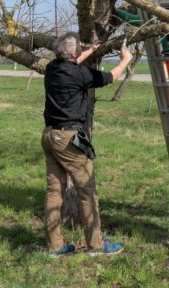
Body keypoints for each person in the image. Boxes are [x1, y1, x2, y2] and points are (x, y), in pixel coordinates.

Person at [42, 32, 133, 257]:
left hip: (49, 135)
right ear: (73, 53)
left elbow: (74, 62)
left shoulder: (53, 68)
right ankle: (96, 245)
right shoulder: (79, 74)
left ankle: (56, 246)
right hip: (68, 139)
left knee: (54, 191)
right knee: (87, 190)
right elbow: (109, 77)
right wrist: (125, 60)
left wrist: (91, 50)